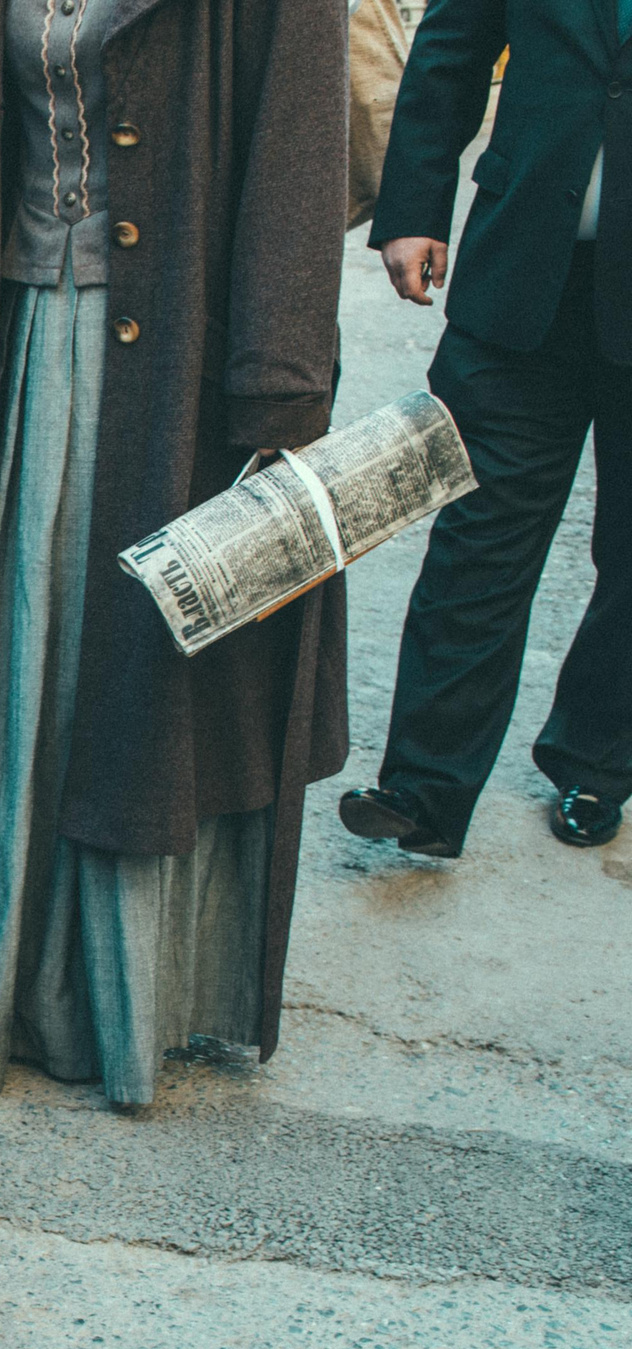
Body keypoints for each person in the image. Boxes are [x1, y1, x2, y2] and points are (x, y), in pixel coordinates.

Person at [0, 0, 349, 1107]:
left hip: (171, 358)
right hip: (21, 336)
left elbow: (298, 156)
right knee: (10, 653)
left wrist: (276, 384)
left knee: (136, 679)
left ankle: (114, 998)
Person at [336, 0, 630, 856]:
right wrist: (412, 208)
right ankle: (424, 789)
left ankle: (596, 760)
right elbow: (451, 51)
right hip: (520, 270)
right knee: (478, 535)